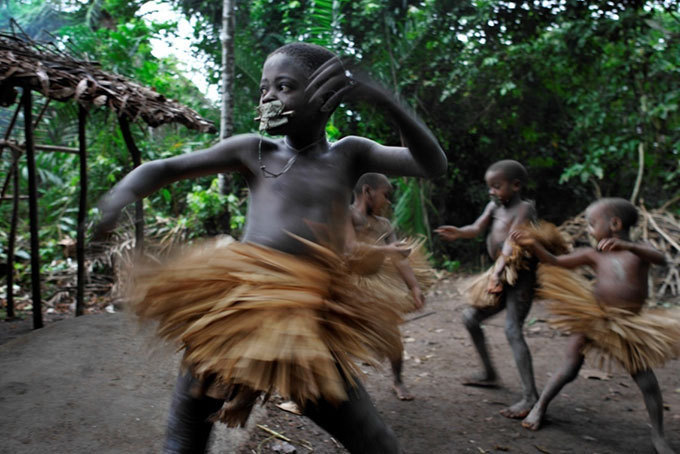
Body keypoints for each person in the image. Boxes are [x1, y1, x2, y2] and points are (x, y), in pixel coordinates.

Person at [96, 42, 447, 454]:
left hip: (308, 318)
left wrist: (385, 99)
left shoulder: (350, 153)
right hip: (237, 307)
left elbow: (431, 164)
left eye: (284, 87)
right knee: (185, 436)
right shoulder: (253, 150)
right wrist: (118, 197)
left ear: (326, 98)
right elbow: (167, 167)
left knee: (373, 440)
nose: (268, 97)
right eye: (265, 88)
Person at [511, 198, 679, 454]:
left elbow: (661, 259)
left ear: (614, 224)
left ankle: (658, 435)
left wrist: (628, 246)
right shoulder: (594, 255)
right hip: (594, 318)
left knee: (646, 381)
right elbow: (555, 261)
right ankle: (540, 406)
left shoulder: (639, 252)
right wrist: (534, 245)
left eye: (592, 224)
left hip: (627, 326)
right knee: (568, 367)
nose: (589, 230)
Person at [435, 159, 539, 419]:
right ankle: (489, 373)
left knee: (513, 330)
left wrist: (497, 273)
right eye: (489, 187)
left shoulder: (525, 208)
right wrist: (459, 232)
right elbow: (477, 228)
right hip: (499, 274)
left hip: (519, 277)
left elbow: (511, 244)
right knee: (470, 317)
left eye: (497, 186)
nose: (491, 191)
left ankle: (530, 397)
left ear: (515, 186)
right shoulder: (494, 206)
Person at [347, 172, 433, 400]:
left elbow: (399, 258)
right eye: (386, 195)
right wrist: (388, 250)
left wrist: (414, 287)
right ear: (367, 191)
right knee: (342, 336)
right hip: (347, 284)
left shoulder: (384, 224)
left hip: (377, 282)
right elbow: (350, 248)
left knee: (393, 337)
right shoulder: (347, 215)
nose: (388, 201)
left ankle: (398, 380)